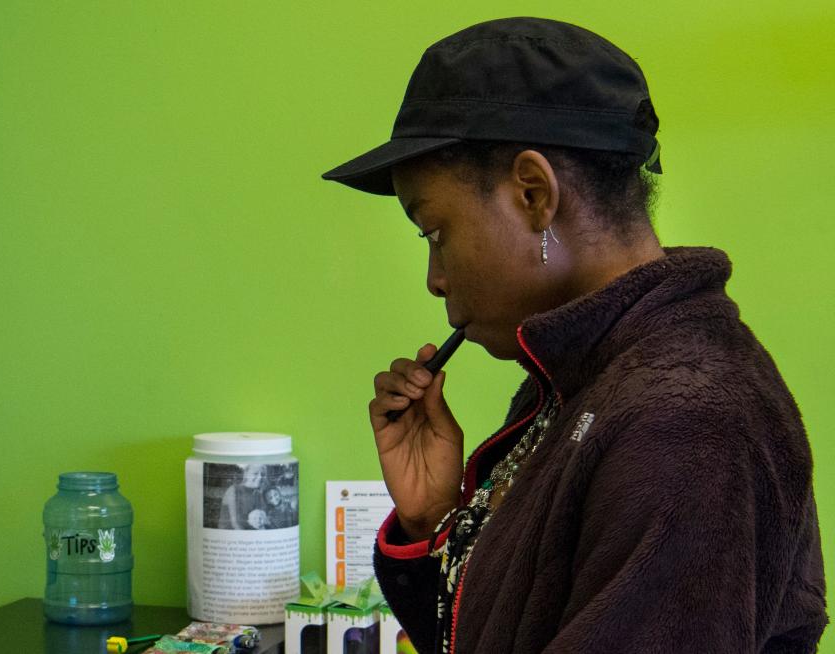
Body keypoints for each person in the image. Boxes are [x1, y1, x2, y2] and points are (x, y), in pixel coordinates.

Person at [321, 17, 826, 654]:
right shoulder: (585, 376)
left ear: (534, 194)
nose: (435, 278)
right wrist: (433, 518)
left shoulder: (687, 424)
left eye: (434, 232)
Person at [218, 463, 267, 529]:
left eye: (262, 474)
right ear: (246, 474)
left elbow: (262, 520)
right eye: (255, 474)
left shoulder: (257, 494)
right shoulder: (234, 490)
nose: (260, 477)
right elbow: (235, 523)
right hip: (230, 534)